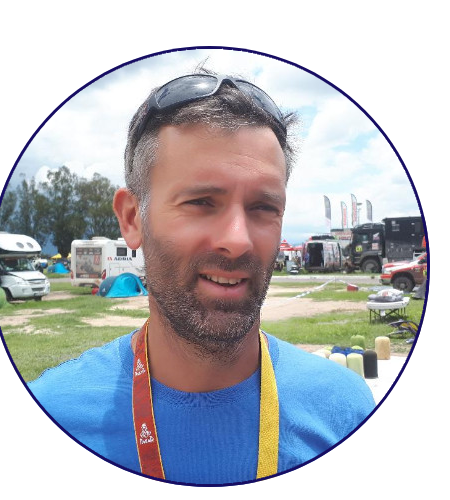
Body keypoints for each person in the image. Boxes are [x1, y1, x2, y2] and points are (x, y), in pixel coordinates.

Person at [29, 69, 375, 485]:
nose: (238, 240)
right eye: (201, 202)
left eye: (263, 207)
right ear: (132, 218)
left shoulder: (345, 412)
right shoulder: (56, 412)